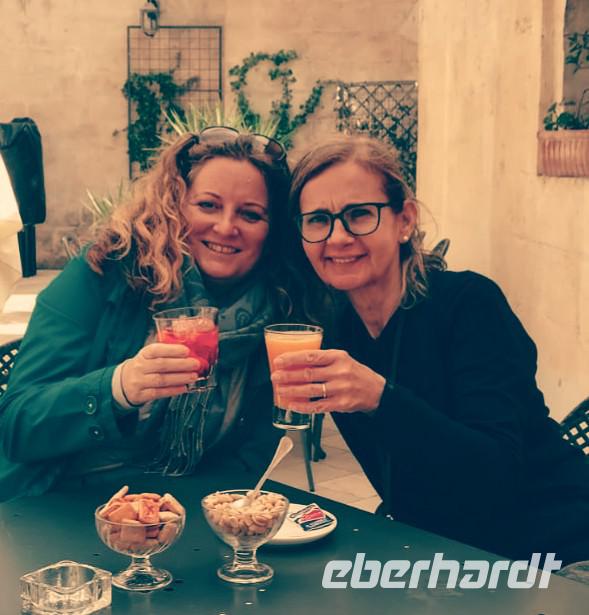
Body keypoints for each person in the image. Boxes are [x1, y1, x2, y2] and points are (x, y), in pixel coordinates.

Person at [272, 134, 589, 565]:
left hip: (557, 552)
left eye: (359, 214)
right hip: (438, 551)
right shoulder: (335, 332)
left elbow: (496, 473)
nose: (338, 237)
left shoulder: (469, 304)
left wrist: (380, 399)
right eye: (318, 220)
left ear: (405, 220)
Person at [0, 127, 290, 501]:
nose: (225, 227)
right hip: (63, 502)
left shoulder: (279, 310)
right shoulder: (104, 271)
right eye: (208, 205)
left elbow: (250, 459)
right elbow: (17, 425)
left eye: (250, 214)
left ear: (273, 230)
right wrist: (120, 387)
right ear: (175, 205)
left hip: (185, 512)